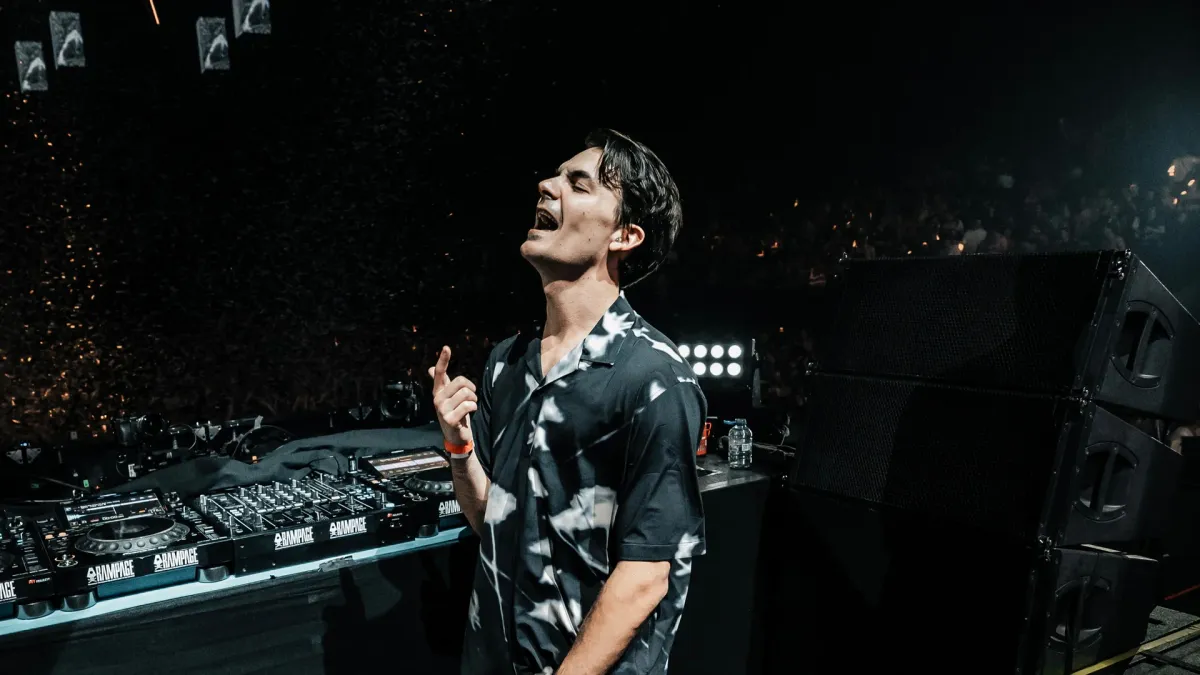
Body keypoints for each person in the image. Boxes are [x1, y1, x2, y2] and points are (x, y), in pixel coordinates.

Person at [428, 129, 706, 675]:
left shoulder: (654, 378)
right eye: (556, 176)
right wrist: (460, 450)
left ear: (625, 235)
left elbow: (647, 574)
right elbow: (493, 521)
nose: (546, 185)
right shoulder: (508, 363)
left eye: (578, 184)